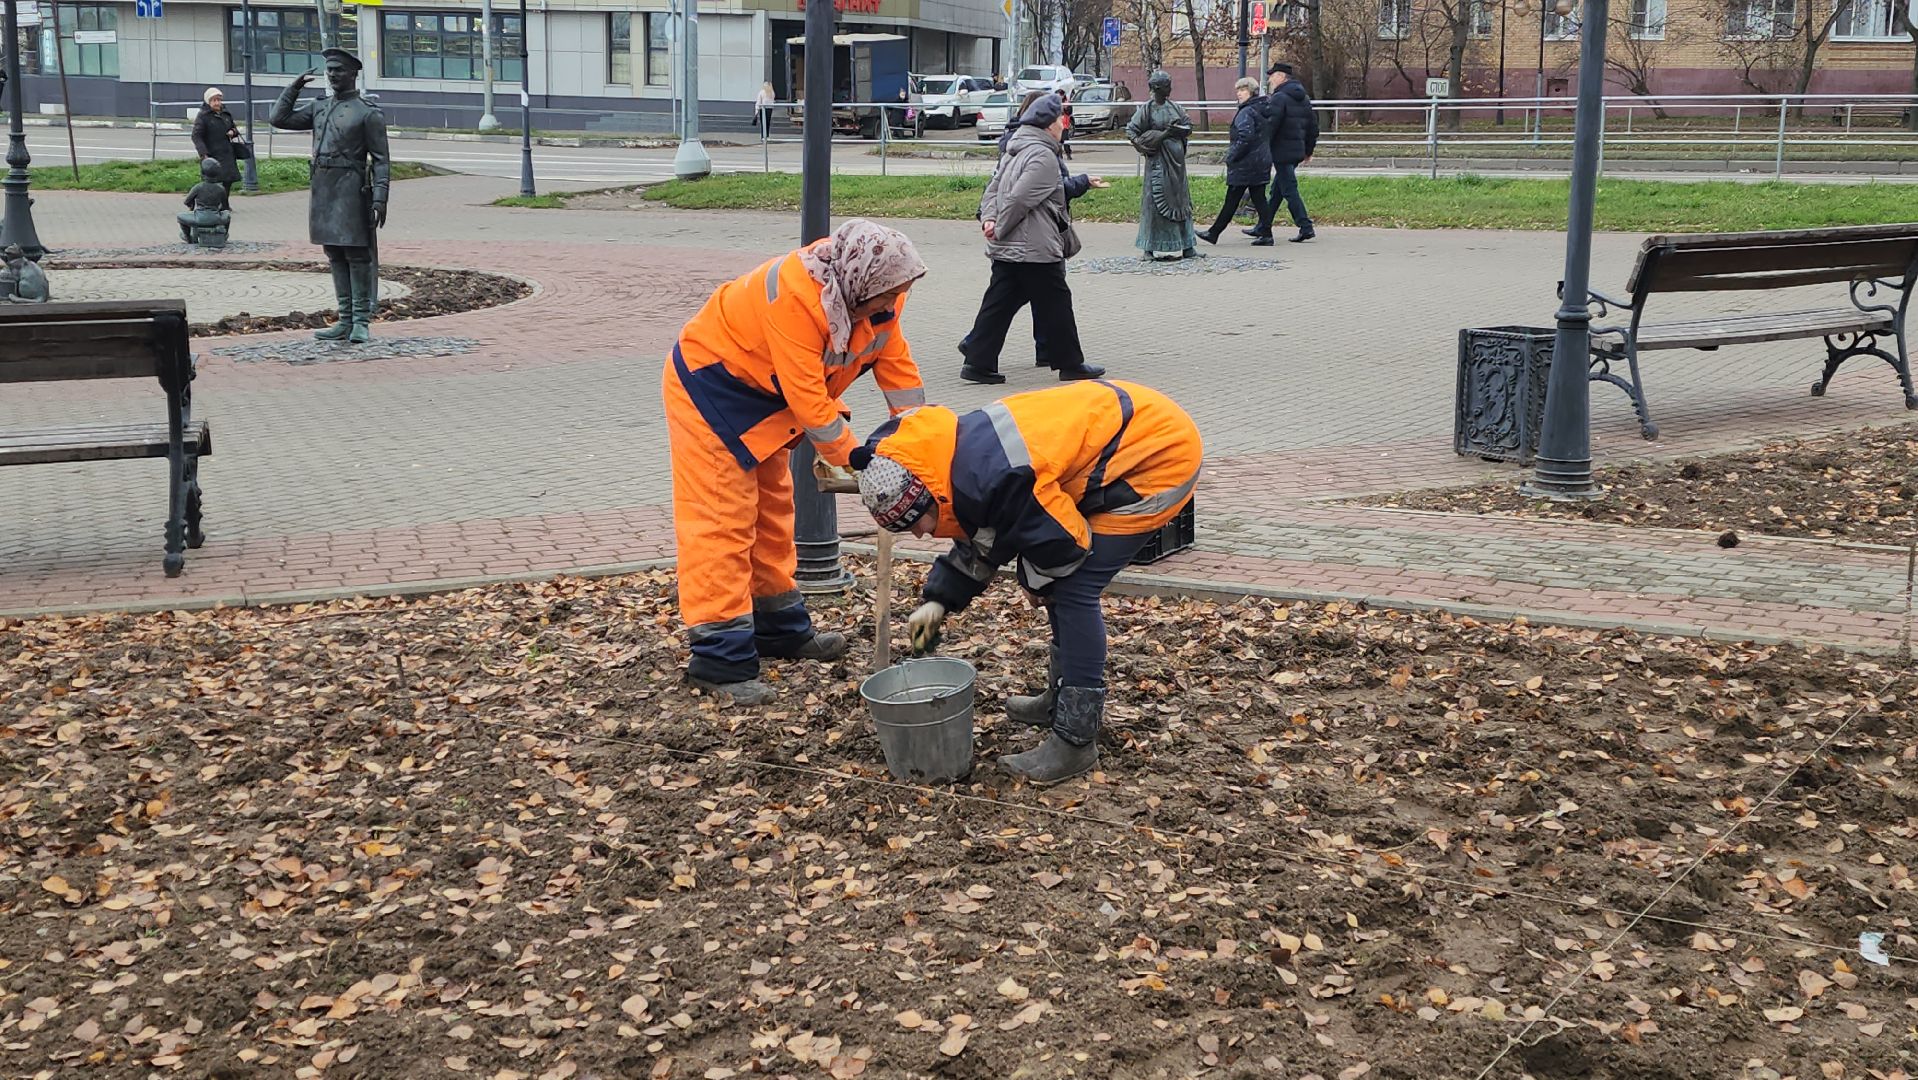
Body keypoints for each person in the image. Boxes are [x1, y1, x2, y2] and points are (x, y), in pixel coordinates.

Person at [850, 379, 1203, 783]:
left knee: (1073, 590)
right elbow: (986, 534)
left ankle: (1075, 740)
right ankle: (1059, 698)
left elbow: (1066, 545)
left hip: (1156, 456)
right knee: (1056, 586)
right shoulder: (944, 461)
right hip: (1114, 436)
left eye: (917, 523)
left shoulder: (995, 476)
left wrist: (1035, 579)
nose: (919, 535)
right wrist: (937, 602)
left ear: (929, 496)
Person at [665, 219, 929, 705]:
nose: (891, 306)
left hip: (767, 395)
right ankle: (719, 660)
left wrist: (924, 438)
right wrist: (856, 459)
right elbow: (809, 400)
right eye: (885, 297)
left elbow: (898, 369)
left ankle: (778, 628)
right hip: (713, 386)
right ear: (858, 283)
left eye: (899, 293)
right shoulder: (793, 298)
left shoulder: (879, 290)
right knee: (723, 520)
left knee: (772, 510)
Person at [959, 94, 1107, 386]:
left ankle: (978, 361)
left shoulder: (1015, 149)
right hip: (1034, 246)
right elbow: (1019, 200)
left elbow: (993, 190)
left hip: (1014, 247)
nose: (1064, 124)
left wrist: (990, 219)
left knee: (999, 303)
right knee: (1057, 300)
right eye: (1060, 119)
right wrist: (998, 226)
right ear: (1049, 124)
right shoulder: (1042, 156)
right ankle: (1070, 363)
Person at [270, 48, 390, 343]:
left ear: (353, 74)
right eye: (329, 70)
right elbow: (278, 119)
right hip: (323, 188)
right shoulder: (319, 107)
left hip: (351, 189)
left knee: (357, 253)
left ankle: (361, 321)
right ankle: (344, 319)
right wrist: (293, 87)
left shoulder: (367, 113)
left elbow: (382, 159)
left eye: (338, 70)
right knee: (334, 253)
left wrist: (380, 197)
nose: (333, 75)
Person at [1125, 71, 1197, 260]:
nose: (1170, 88)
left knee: (1181, 202)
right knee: (1154, 203)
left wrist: (1178, 130)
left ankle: (1187, 246)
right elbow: (1131, 130)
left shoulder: (1175, 107)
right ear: (1157, 88)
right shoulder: (1147, 109)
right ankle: (1149, 247)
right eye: (1167, 85)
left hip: (1177, 164)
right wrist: (1144, 144)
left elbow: (1188, 126)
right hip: (1158, 162)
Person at [1198, 79, 1275, 247]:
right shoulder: (1262, 108)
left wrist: (1231, 156)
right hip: (1260, 160)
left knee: (1233, 198)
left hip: (1246, 162)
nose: (1239, 93)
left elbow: (1245, 137)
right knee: (1259, 198)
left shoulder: (1246, 112)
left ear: (1251, 92)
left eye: (1243, 89)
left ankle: (1214, 233)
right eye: (1238, 90)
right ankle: (1266, 233)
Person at [1256, 62, 1319, 243]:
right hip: (1296, 150)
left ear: (1281, 76)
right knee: (1277, 190)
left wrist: (1262, 147)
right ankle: (1263, 225)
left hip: (1281, 151)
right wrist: (1308, 150)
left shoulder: (1279, 97)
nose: (1270, 79)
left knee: (1289, 189)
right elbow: (1313, 127)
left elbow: (1271, 125)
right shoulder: (1303, 97)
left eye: (1272, 75)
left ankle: (1305, 226)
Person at [191, 87, 245, 195]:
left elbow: (234, 129)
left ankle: (225, 204)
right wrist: (204, 154)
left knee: (228, 181)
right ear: (208, 101)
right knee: (213, 181)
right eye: (214, 100)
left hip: (226, 153)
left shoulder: (225, 114)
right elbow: (196, 136)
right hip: (212, 154)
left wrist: (232, 132)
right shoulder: (203, 116)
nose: (217, 103)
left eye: (219, 100)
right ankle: (213, 204)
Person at [177, 157, 232, 245]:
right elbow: (225, 206)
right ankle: (224, 235)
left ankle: (188, 237)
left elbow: (186, 201)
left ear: (202, 173)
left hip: (199, 218)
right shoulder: (221, 189)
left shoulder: (198, 187)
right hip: (216, 218)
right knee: (227, 215)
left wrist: (191, 205)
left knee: (180, 216)